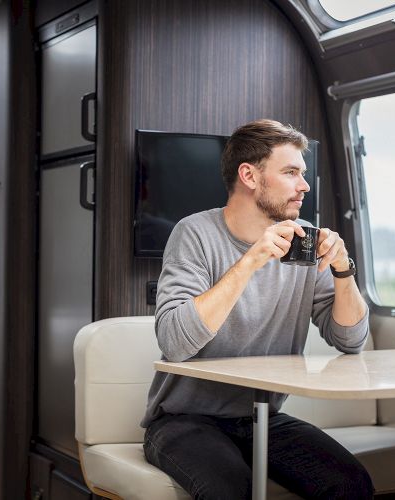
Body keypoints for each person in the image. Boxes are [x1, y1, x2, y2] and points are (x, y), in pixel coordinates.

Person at [141, 119, 374, 499]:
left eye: (303, 173)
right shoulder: (194, 233)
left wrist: (343, 268)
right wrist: (251, 260)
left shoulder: (304, 242)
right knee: (230, 489)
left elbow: (351, 340)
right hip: (184, 422)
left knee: (351, 484)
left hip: (264, 419)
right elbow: (175, 341)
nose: (305, 185)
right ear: (249, 175)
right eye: (291, 172)